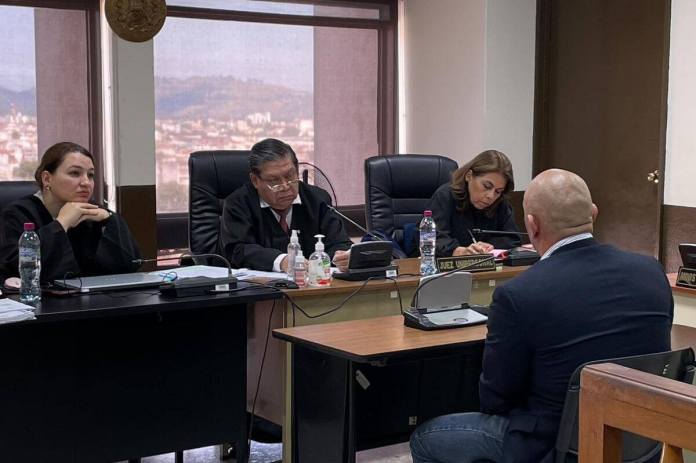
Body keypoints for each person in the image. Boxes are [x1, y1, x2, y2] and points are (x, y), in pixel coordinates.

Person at [410, 169, 673, 463]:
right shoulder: (652, 272)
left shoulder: (520, 294)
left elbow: (496, 399)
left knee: (426, 438)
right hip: (638, 442)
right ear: (593, 214)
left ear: (532, 225)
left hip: (553, 447)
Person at [0, 142, 141, 285]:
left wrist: (109, 219)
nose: (86, 182)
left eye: (91, 175)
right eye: (75, 173)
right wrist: (62, 223)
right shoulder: (18, 213)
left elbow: (130, 265)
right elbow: (16, 269)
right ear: (47, 179)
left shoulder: (93, 213)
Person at [220, 138, 352, 272]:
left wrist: (344, 257)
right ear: (255, 180)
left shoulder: (318, 199)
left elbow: (339, 242)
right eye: (274, 180)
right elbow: (238, 250)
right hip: (260, 288)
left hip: (315, 285)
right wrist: (281, 261)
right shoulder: (238, 204)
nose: (285, 186)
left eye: (290, 176)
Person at [427, 150, 520, 257]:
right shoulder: (445, 196)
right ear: (469, 176)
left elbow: (513, 239)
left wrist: (489, 246)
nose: (491, 196)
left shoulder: (500, 203)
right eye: (487, 186)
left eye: (498, 191)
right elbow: (430, 237)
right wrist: (458, 251)